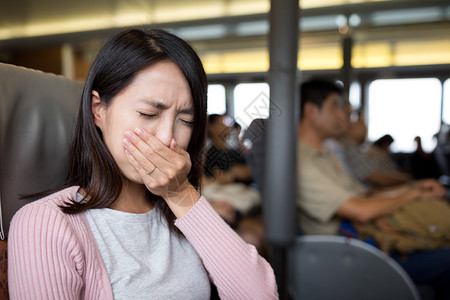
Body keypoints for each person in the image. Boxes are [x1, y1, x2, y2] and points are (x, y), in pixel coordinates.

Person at [8, 29, 278, 300]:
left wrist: (181, 194)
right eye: (148, 113)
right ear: (98, 110)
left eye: (185, 120)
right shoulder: (46, 223)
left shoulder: (180, 212)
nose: (166, 137)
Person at [297, 78, 450, 299]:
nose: (343, 115)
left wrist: (415, 187)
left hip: (370, 238)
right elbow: (361, 210)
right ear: (311, 111)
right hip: (353, 253)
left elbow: (367, 195)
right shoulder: (301, 162)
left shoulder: (326, 155)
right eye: (335, 106)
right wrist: (411, 194)